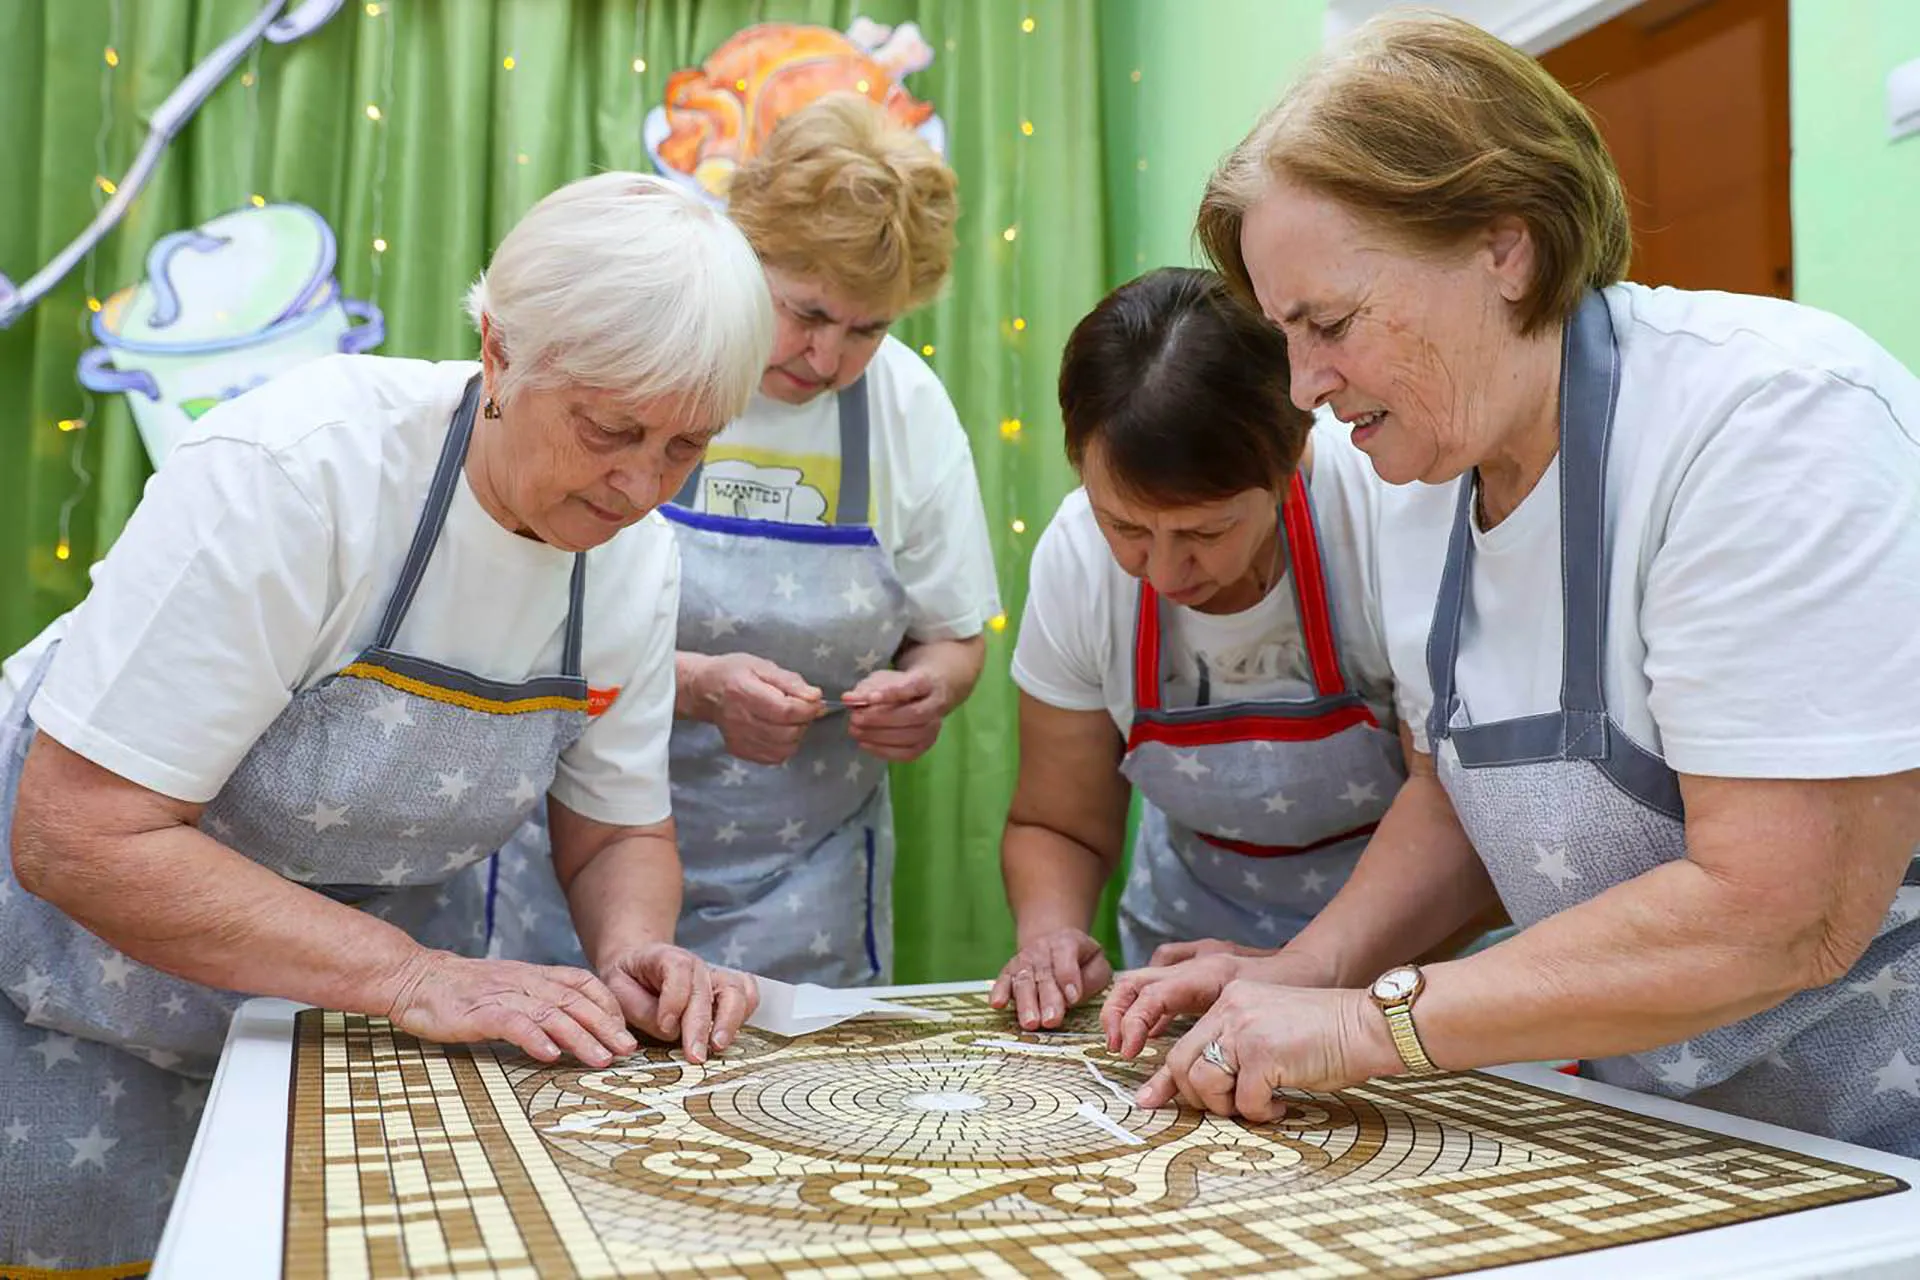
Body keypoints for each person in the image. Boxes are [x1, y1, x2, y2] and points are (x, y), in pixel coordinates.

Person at [1102, 11, 1920, 1158]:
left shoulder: (1771, 423)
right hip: (1671, 1139)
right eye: (1284, 334)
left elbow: (1784, 908)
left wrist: (1360, 1025)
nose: (1302, 384)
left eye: (1328, 323)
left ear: (1506, 246)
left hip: (1886, 1146)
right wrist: (1302, 970)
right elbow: (1461, 797)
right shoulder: (1415, 473)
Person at [0, 172, 771, 1272]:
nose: (639, 485)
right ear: (501, 352)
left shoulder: (634, 561)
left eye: (687, 446)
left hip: (335, 1029)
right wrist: (414, 975)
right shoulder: (300, 472)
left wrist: (637, 945)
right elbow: (79, 834)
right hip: (58, 1009)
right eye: (612, 427)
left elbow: (615, 828)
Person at [481, 94, 999, 985]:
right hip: (576, 853)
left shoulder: (906, 411)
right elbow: (511, 616)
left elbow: (953, 637)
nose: (828, 358)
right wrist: (695, 687)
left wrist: (925, 693)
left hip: (800, 883)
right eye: (804, 312)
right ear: (742, 247)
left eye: (868, 328)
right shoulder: (640, 359)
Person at [987, 268, 1406, 1031]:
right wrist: (1049, 937)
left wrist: (1308, 976)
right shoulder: (1077, 559)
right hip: (1184, 984)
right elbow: (1059, 823)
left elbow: (1458, 811)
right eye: (1127, 528)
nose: (1165, 572)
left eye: (1206, 533)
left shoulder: (1386, 518)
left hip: (1406, 986)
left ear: (1290, 462)